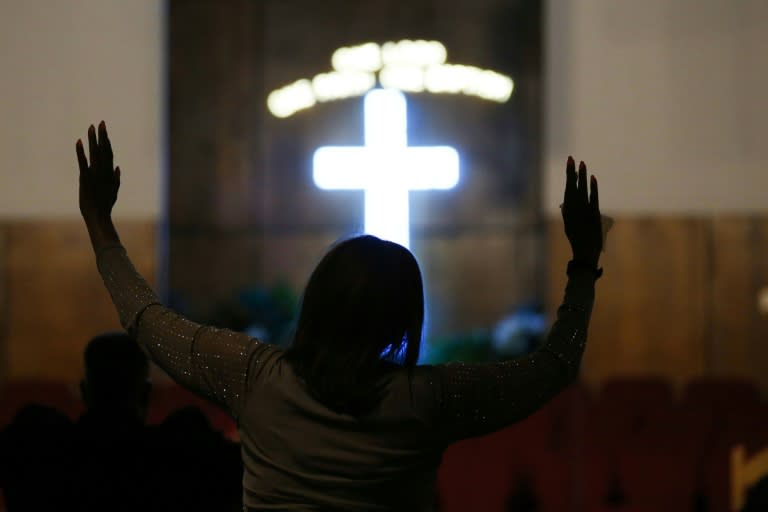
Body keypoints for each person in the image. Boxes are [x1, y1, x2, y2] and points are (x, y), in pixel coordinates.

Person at [76, 121, 603, 511]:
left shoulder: (252, 376)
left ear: (318, 299)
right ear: (402, 321)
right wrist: (582, 264)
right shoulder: (432, 399)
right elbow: (554, 366)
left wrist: (100, 222)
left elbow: (144, 318)